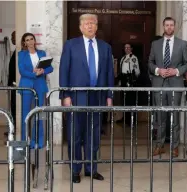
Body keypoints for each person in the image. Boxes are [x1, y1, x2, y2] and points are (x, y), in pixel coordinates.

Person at [59, 13, 114, 183]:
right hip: (76, 97)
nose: (90, 26)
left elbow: (109, 73)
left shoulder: (105, 47)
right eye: (86, 23)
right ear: (80, 27)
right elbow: (64, 71)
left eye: (93, 23)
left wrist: (109, 96)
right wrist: (65, 95)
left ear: (97, 26)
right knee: (75, 135)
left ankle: (91, 168)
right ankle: (75, 170)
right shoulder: (71, 45)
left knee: (94, 135)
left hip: (97, 97)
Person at [148, 17, 187, 157]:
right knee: (159, 116)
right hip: (159, 83)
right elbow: (150, 63)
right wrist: (158, 71)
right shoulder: (155, 44)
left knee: (175, 116)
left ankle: (174, 147)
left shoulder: (182, 44)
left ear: (175, 27)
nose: (169, 27)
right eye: (167, 25)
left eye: (171, 25)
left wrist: (176, 71)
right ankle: (159, 145)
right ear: (163, 26)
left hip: (175, 83)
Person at [18, 33, 54, 148]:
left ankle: (38, 141)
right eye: (27, 40)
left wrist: (42, 71)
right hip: (27, 86)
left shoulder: (42, 53)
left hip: (40, 86)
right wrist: (34, 73)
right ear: (24, 42)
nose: (30, 41)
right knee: (25, 114)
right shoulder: (22, 54)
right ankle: (26, 141)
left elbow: (50, 68)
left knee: (39, 113)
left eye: (31, 39)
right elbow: (22, 71)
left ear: (34, 40)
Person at [116, 43, 140, 126]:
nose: (126, 49)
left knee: (130, 100)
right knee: (124, 99)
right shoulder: (123, 58)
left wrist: (133, 79)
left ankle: (131, 120)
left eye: (128, 47)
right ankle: (125, 117)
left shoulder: (133, 57)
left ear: (131, 48)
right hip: (123, 79)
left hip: (129, 80)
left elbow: (136, 70)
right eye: (125, 47)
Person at [4, 31, 16, 137]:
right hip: (12, 85)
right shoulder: (15, 52)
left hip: (16, 85)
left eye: (13, 36)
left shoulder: (19, 53)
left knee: (15, 108)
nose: (12, 38)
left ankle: (13, 129)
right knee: (13, 108)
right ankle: (12, 128)